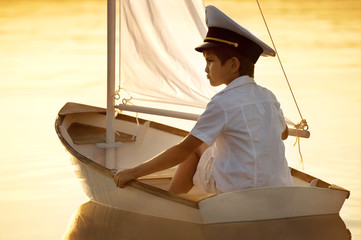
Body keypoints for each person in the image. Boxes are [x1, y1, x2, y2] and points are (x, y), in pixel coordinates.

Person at [114, 5, 293, 194]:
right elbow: (283, 134)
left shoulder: (222, 102)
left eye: (210, 61)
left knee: (194, 148)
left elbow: (182, 150)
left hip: (238, 193)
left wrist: (134, 172)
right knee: (210, 144)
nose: (206, 69)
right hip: (278, 190)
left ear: (233, 65)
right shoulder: (268, 96)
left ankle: (171, 204)